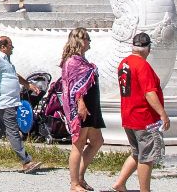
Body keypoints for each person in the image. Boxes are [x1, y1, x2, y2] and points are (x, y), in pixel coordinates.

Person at [0, 35, 41, 173]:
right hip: (5, 102)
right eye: (10, 45)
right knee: (12, 130)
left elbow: (14, 76)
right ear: (3, 47)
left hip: (7, 102)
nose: (12, 47)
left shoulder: (7, 62)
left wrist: (28, 85)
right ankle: (26, 161)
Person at [113, 32, 167, 192]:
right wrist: (162, 114)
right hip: (145, 118)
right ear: (148, 48)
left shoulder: (124, 63)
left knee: (136, 152)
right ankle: (145, 190)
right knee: (147, 156)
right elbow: (149, 93)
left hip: (129, 115)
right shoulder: (143, 65)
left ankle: (120, 183)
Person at [60, 27, 104, 192]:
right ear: (80, 41)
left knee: (97, 141)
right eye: (87, 39)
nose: (89, 42)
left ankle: (80, 177)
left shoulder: (81, 60)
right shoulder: (72, 61)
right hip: (81, 107)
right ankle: (74, 183)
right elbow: (74, 88)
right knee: (78, 143)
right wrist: (81, 104)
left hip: (91, 106)